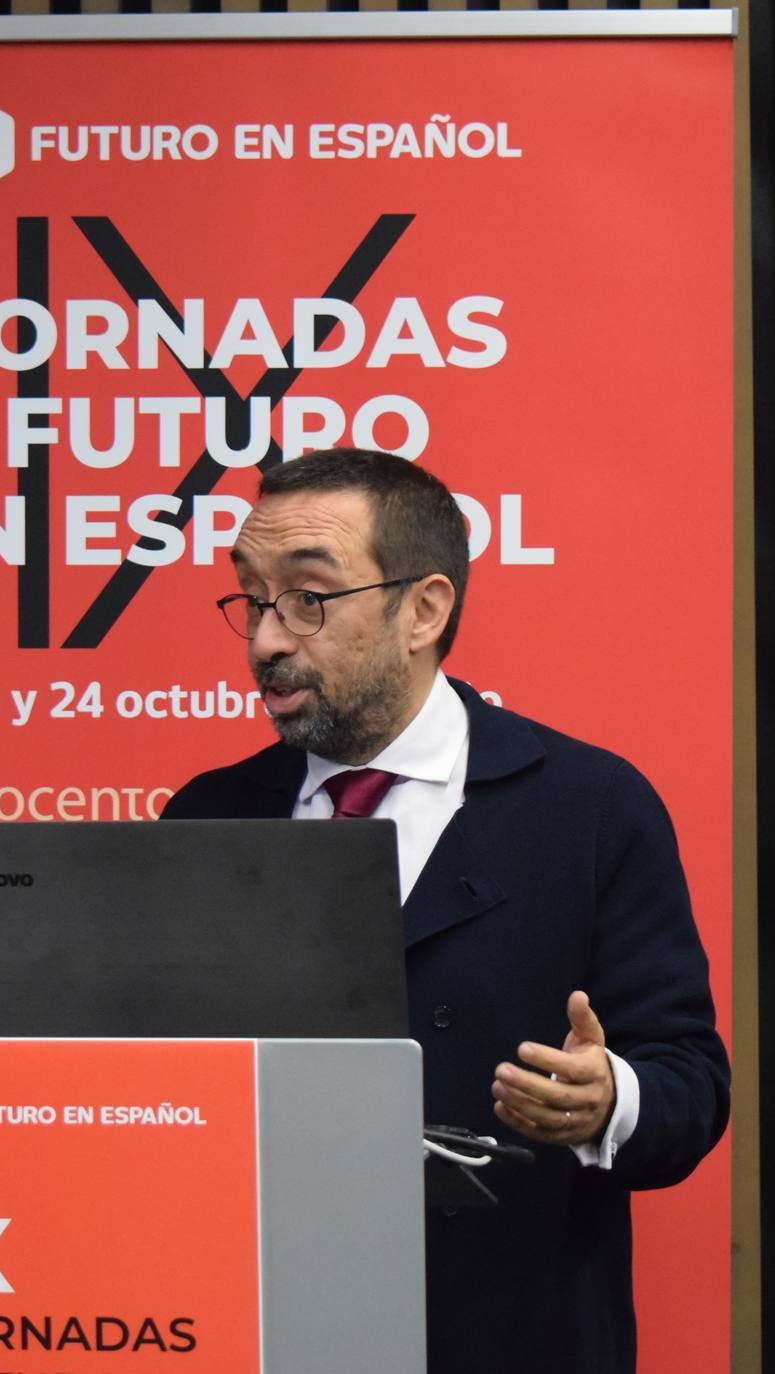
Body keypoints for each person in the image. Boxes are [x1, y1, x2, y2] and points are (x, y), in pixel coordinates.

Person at [162, 448, 730, 1374]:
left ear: (422, 610)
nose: (266, 640)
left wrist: (605, 1100)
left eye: (309, 598)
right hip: (264, 1328)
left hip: (511, 1331)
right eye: (253, 599)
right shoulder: (209, 815)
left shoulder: (589, 806)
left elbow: (689, 1089)